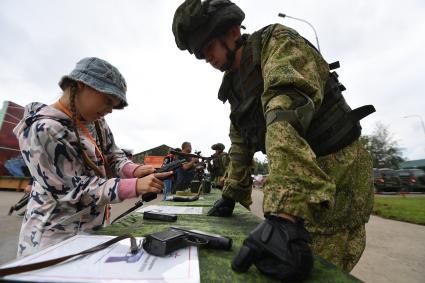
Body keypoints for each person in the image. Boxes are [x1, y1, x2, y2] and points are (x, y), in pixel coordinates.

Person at [172, 0, 375, 280]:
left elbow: (285, 112)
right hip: (302, 181)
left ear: (232, 32)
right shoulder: (234, 84)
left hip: (338, 180)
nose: (208, 58)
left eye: (209, 48)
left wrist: (285, 212)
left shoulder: (278, 43)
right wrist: (231, 194)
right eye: (201, 55)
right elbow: (240, 142)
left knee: (317, 271)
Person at [13, 57, 172, 258]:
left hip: (89, 231)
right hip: (52, 239)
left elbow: (113, 155)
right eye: (108, 100)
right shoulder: (44, 130)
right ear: (80, 86)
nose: (110, 110)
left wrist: (135, 170)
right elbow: (73, 189)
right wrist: (134, 186)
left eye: (114, 105)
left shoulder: (95, 122)